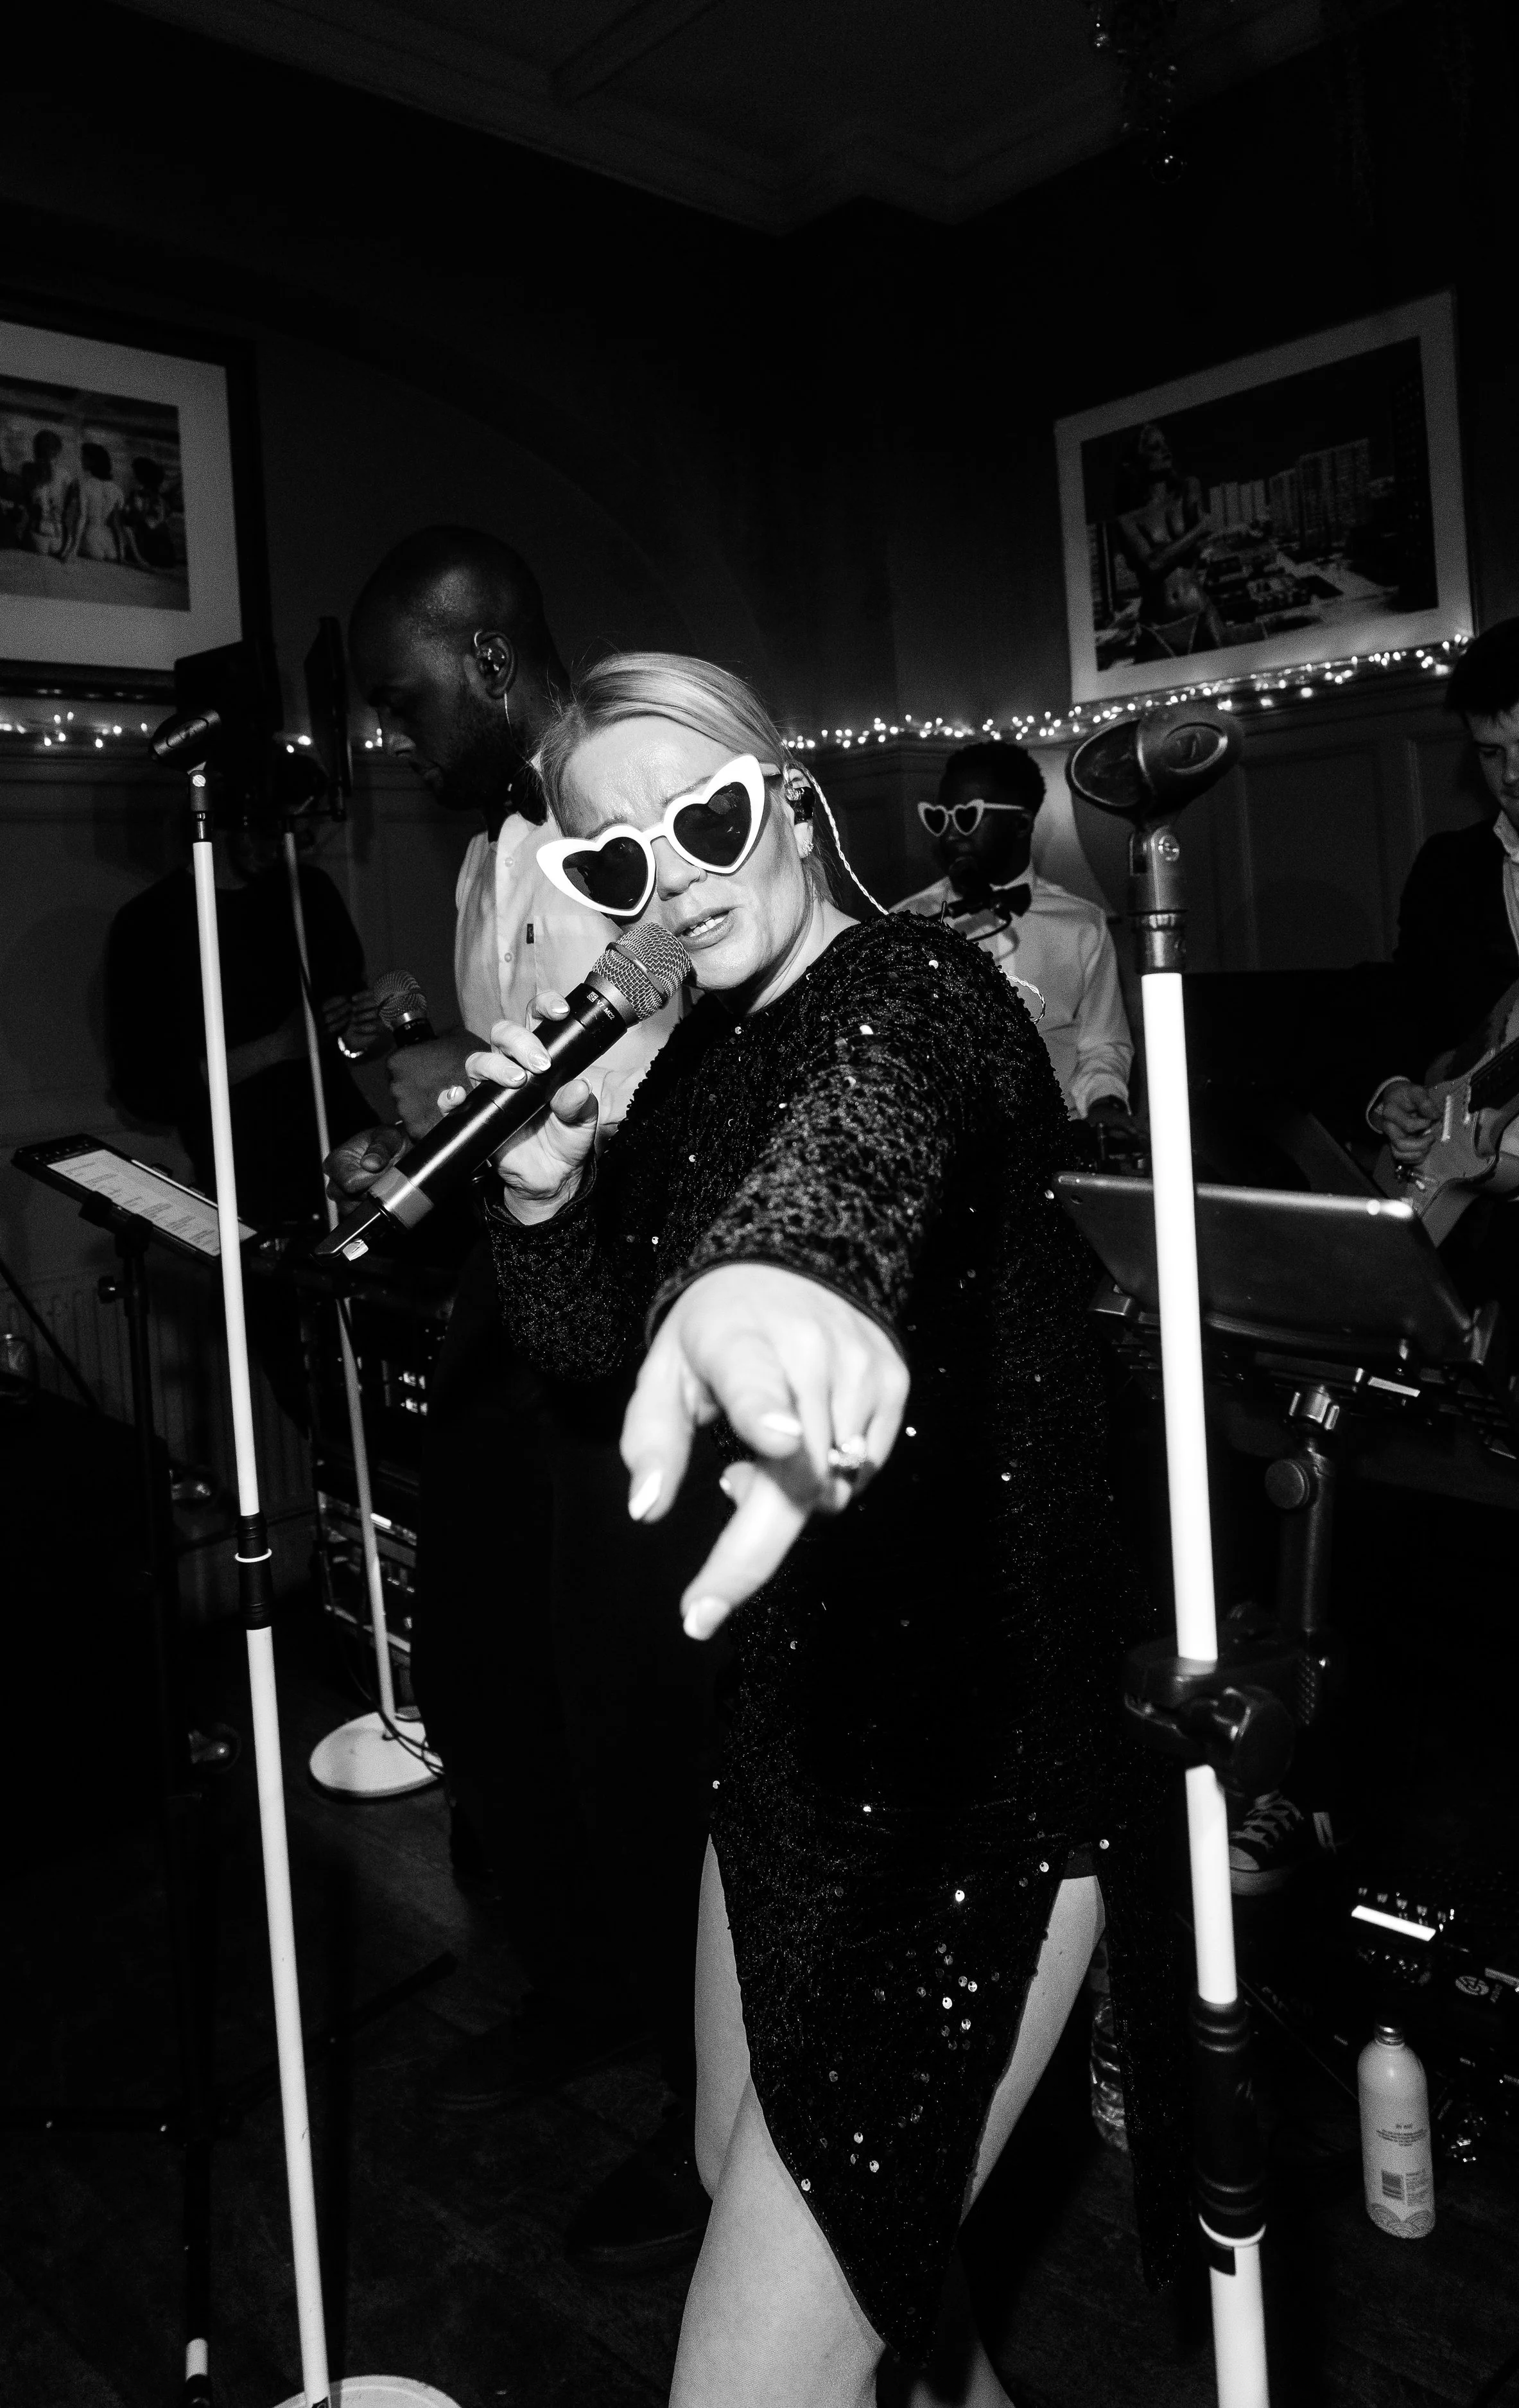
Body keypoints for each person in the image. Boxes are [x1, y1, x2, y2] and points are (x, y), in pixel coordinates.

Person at [468, 652, 1185, 2405]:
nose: (679, 871)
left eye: (706, 815)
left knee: (752, 2379)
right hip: (789, 1744)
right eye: (619, 858)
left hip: (968, 1781)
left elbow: (867, 1124)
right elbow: (577, 1350)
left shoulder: (922, 987)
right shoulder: (689, 1056)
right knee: (837, 2253)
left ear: (788, 801)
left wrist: (779, 1265)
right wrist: (545, 1179)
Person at [327, 528, 716, 2273]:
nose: (402, 747)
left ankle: (714, 2113)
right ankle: (584, 1983)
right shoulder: (488, 854)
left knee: (644, 1704)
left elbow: (697, 1054)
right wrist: (421, 1130)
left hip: (649, 1296)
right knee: (488, 1659)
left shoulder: (637, 805)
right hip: (520, 1275)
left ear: (485, 662)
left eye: (409, 705)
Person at [1366, 614, 1519, 1908]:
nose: (1515, 776)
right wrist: (1398, 1091)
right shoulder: (1449, 867)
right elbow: (1412, 1023)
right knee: (1467, 1531)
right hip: (1486, 1226)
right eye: (1490, 753)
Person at [105, 801, 378, 1424]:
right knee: (314, 1402)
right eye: (265, 829)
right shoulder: (151, 924)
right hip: (256, 1196)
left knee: (392, 1386)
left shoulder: (310, 893)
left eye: (299, 833)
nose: (288, 847)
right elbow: (149, 1090)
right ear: (217, 819)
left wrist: (359, 1033)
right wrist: (281, 1045)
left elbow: (345, 1039)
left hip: (357, 1172)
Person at [899, 739, 1133, 1122]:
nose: (951, 835)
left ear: (1022, 823)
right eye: (941, 818)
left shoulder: (1081, 923)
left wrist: (1106, 1104)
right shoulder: (906, 922)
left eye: (968, 817)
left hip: (1056, 1137)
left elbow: (1103, 1045)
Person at [1113, 422, 1230, 663]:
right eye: (1155, 447)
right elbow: (1151, 566)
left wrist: (1168, 551)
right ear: (1136, 461)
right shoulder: (1126, 520)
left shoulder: (1189, 489)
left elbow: (1197, 548)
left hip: (1199, 613)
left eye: (1165, 445)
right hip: (1156, 625)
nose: (1166, 451)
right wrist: (1197, 529)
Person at [61, 441, 125, 563]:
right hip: (109, 543)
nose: (81, 460)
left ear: (92, 461)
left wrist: (73, 549)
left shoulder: (83, 484)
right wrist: (121, 552)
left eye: (84, 457)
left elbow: (82, 517)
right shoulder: (117, 490)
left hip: (91, 538)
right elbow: (116, 524)